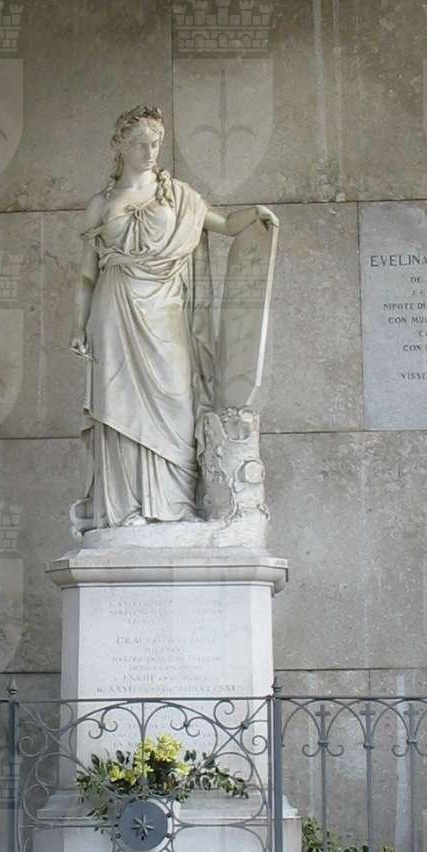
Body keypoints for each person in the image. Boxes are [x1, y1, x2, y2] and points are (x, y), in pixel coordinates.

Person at [69, 105, 277, 533]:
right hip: (115, 310)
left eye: (156, 144)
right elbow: (87, 275)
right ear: (121, 147)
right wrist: (79, 326)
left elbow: (223, 223)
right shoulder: (101, 204)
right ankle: (124, 509)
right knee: (118, 404)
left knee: (177, 400)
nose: (150, 152)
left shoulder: (179, 196)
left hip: (165, 313)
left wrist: (254, 216)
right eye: (141, 144)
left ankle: (175, 505)